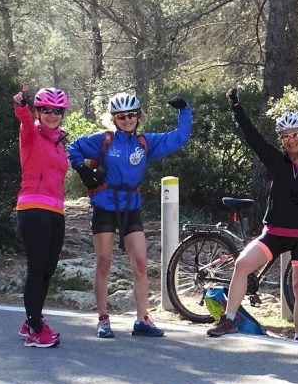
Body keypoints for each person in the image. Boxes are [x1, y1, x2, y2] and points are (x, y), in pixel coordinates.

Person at [206, 88, 298, 341]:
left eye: (295, 134)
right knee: (243, 264)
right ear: (281, 140)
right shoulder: (276, 162)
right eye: (286, 136)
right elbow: (252, 137)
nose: (291, 140)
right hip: (275, 232)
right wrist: (236, 108)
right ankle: (230, 320)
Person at [68, 91, 192, 339]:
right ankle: (103, 319)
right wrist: (83, 170)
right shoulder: (104, 140)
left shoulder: (145, 143)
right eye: (121, 116)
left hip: (131, 207)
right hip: (105, 205)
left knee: (141, 265)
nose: (127, 119)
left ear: (138, 116)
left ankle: (142, 319)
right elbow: (74, 147)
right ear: (114, 119)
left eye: (131, 115)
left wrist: (184, 111)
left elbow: (179, 138)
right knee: (104, 262)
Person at [13, 86, 71, 348]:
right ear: (38, 110)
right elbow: (24, 118)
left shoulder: (60, 143)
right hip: (32, 208)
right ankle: (35, 328)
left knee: (48, 271)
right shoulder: (31, 133)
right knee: (37, 270)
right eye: (46, 110)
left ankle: (31, 321)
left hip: (56, 211)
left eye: (57, 111)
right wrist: (21, 106)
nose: (51, 115)